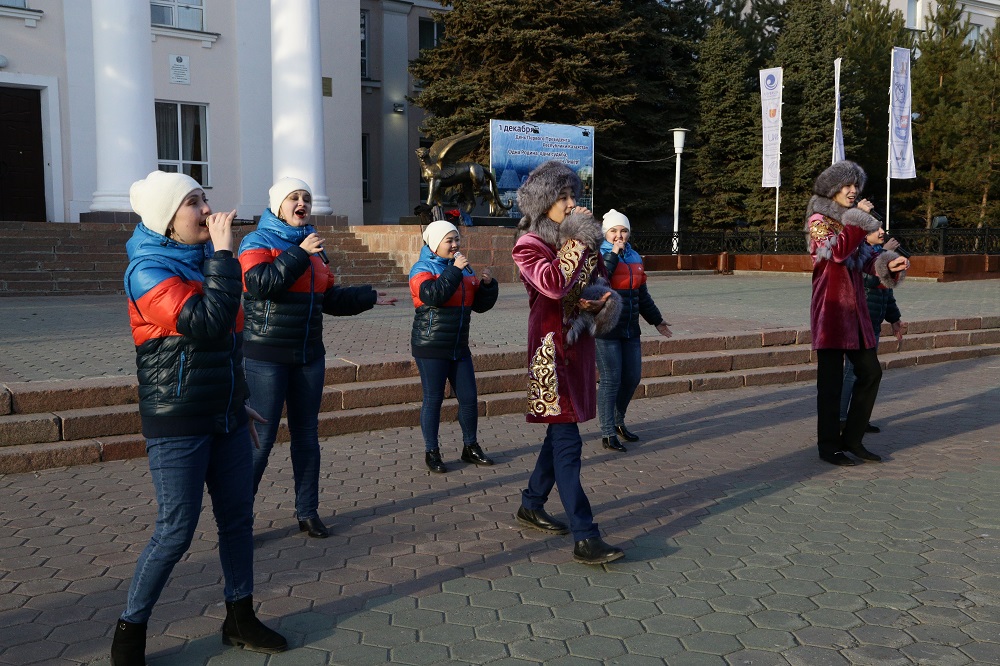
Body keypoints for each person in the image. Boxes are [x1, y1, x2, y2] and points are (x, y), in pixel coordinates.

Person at [113, 171, 286, 665]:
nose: (207, 212)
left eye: (205, 199)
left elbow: (230, 343)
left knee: (237, 519)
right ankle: (130, 633)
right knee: (176, 529)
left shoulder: (207, 262)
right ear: (167, 220)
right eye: (193, 203)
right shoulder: (146, 270)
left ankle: (240, 617)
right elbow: (207, 324)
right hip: (178, 419)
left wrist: (238, 399)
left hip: (225, 415)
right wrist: (227, 256)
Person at [239, 177, 396, 538]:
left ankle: (307, 511)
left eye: (306, 198)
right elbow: (260, 284)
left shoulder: (313, 247)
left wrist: (367, 297)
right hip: (266, 355)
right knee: (260, 439)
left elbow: (328, 298)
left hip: (308, 354)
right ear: (278, 205)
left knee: (306, 435)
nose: (302, 203)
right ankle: (238, 518)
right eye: (294, 197)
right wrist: (299, 253)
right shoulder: (257, 242)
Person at [511, 160, 625, 565]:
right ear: (544, 203)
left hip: (576, 350)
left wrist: (598, 302)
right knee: (568, 443)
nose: (572, 203)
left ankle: (531, 502)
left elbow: (586, 286)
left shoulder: (570, 241)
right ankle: (585, 535)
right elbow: (554, 285)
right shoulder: (529, 245)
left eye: (573, 195)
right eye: (563, 197)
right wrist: (577, 238)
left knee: (558, 434)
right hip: (549, 357)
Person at [806, 161, 908, 467]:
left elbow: (865, 261)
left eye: (855, 187)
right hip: (832, 311)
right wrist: (858, 219)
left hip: (858, 313)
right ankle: (829, 447)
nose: (853, 192)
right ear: (834, 190)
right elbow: (836, 253)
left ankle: (852, 439)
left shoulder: (852, 223)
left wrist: (889, 265)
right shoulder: (818, 220)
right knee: (831, 383)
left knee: (871, 372)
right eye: (847, 187)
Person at [408, 219, 499, 473]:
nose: (455, 244)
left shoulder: (464, 269)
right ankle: (432, 452)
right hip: (431, 346)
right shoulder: (421, 268)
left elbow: (477, 305)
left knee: (469, 398)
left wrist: (489, 287)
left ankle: (470, 447)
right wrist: (456, 271)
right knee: (433, 399)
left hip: (458, 346)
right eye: (449, 240)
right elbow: (434, 295)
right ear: (436, 243)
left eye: (456, 239)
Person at [595, 209, 673, 453]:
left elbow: (642, 294)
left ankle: (619, 421)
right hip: (606, 328)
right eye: (613, 231)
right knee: (610, 380)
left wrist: (657, 320)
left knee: (632, 377)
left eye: (623, 230)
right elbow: (599, 282)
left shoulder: (635, 256)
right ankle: (608, 432)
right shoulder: (597, 255)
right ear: (605, 233)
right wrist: (614, 255)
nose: (619, 235)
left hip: (630, 327)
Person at [840, 226, 905, 432]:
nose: (881, 231)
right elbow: (866, 279)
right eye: (875, 229)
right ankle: (841, 418)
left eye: (882, 227)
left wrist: (894, 318)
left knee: (865, 374)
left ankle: (859, 418)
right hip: (858, 321)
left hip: (873, 323)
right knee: (852, 372)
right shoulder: (860, 253)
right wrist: (885, 255)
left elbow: (887, 291)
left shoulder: (878, 254)